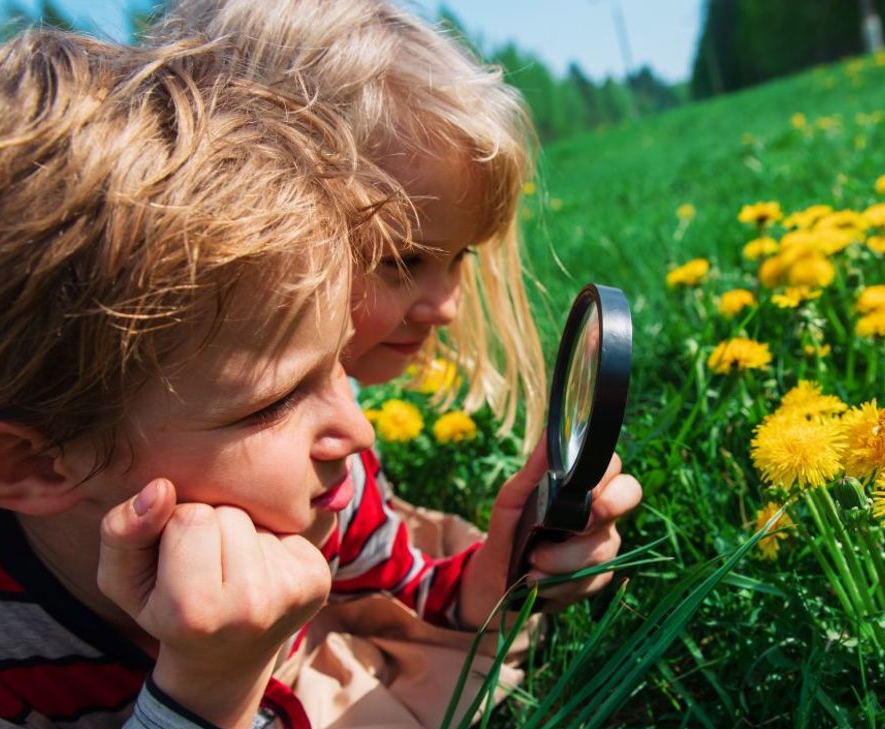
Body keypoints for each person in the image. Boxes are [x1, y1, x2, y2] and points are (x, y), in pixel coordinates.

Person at [0, 29, 634, 729]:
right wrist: (207, 691)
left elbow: (402, 585)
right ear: (31, 463)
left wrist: (491, 579)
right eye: (272, 401)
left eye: (338, 365)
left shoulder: (311, 472)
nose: (357, 432)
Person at [156, 0, 643, 619]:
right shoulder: (130, 477)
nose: (448, 306)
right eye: (402, 260)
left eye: (460, 257)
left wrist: (505, 567)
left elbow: (401, 589)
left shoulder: (341, 455)